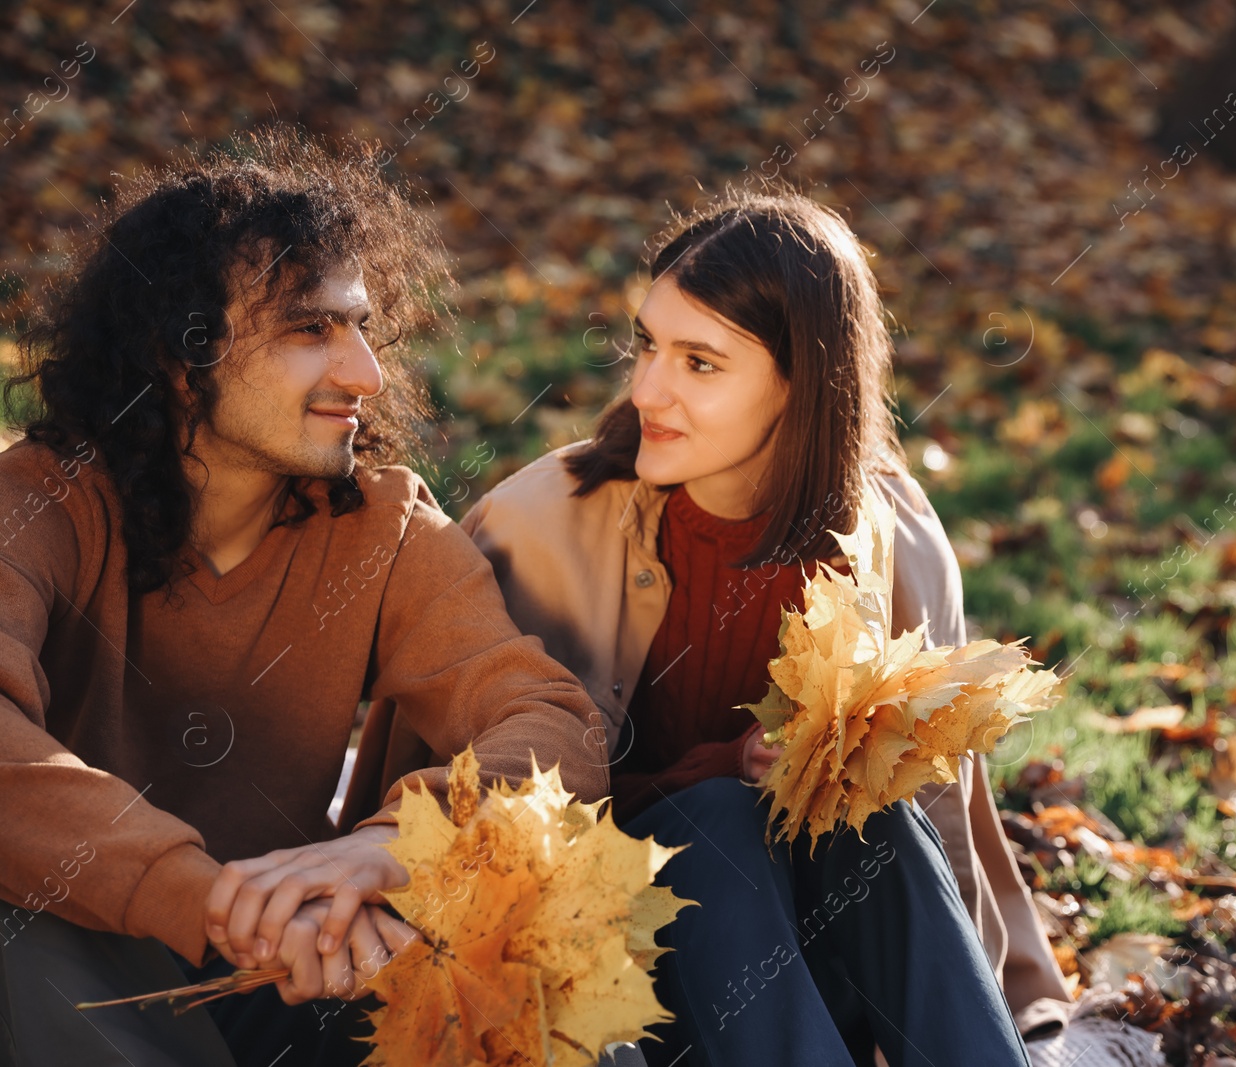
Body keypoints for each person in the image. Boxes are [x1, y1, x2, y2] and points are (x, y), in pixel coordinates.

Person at [0, 128, 607, 1067]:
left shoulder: (384, 522)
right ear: (177, 352)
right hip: (85, 974)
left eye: (362, 326)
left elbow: (551, 720)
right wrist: (206, 896)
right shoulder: (42, 501)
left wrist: (394, 846)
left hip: (299, 966)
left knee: (524, 952)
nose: (364, 371)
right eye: (309, 328)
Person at [449, 188, 1070, 1065]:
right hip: (608, 986)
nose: (649, 389)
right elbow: (486, 830)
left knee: (873, 822)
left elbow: (938, 823)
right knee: (720, 819)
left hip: (817, 975)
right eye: (650, 345)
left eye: (700, 363)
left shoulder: (889, 537)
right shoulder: (540, 528)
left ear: (801, 382)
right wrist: (723, 772)